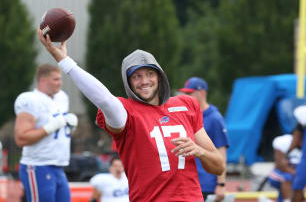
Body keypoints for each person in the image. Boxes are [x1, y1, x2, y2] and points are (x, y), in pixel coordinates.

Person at [37, 30, 225, 201]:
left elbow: (218, 166)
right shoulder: (126, 112)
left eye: (150, 73)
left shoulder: (186, 104)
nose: (145, 81)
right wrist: (65, 61)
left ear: (159, 76)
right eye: (136, 76)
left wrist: (199, 151)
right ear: (128, 82)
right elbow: (104, 99)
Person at [14, 64, 78, 202]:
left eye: (60, 79)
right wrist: (50, 127)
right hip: (38, 166)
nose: (60, 83)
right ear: (43, 80)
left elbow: (56, 137)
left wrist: (69, 127)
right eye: (55, 80)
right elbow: (21, 138)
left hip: (58, 166)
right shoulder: (31, 100)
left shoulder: (62, 97)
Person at [178, 77, 230, 202]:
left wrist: (221, 184)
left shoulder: (215, 118)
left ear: (202, 93)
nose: (186, 96)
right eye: (185, 93)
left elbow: (221, 152)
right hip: (188, 182)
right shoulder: (185, 115)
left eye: (190, 93)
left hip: (207, 184)